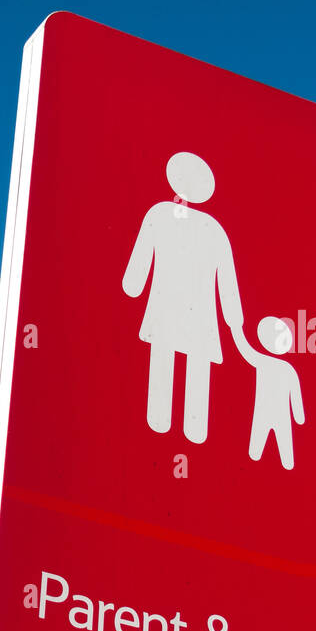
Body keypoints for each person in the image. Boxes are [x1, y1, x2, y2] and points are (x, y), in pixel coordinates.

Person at [122, 152, 242, 444]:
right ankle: (192, 430)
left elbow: (138, 268)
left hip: (166, 309)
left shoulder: (160, 213)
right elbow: (228, 284)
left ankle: (162, 423)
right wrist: (234, 322)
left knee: (164, 360)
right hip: (201, 319)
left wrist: (133, 285)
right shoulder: (214, 230)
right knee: (193, 369)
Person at [229, 317, 305, 470]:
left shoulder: (264, 362)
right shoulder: (285, 368)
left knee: (268, 447)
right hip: (271, 413)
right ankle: (279, 462)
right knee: (269, 448)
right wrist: (299, 417)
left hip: (269, 413)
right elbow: (296, 396)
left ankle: (271, 460)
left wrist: (234, 327)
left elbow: (244, 348)